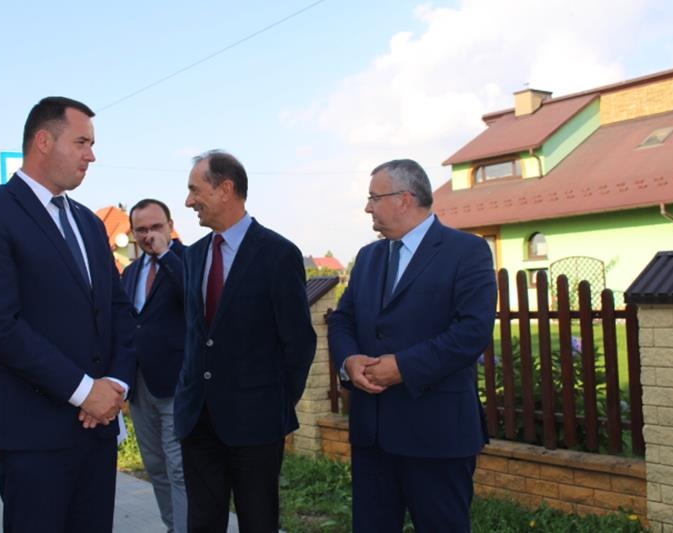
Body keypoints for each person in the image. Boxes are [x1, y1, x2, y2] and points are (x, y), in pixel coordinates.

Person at [0, 97, 137, 533]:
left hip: (96, 429)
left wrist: (115, 384)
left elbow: (119, 311)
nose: (91, 156)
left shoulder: (89, 223)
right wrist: (83, 391)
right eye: (82, 142)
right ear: (43, 141)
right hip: (31, 435)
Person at [328, 159, 497, 532]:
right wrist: (350, 360)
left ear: (404, 199)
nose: (367, 208)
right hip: (373, 434)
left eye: (374, 198)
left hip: (436, 433)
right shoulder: (368, 257)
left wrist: (402, 367)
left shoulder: (467, 251)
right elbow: (342, 319)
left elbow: (472, 331)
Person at [175, 150, 316, 533]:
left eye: (195, 190)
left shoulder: (278, 254)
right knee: (202, 523)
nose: (188, 201)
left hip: (256, 425)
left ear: (226, 189)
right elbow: (195, 335)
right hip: (198, 421)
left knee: (258, 521)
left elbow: (299, 342)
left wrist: (275, 406)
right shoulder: (194, 255)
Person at [121, 198, 187, 533]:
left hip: (177, 383)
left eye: (156, 227)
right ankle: (173, 525)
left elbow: (195, 299)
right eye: (141, 230)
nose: (149, 235)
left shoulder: (188, 259)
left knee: (179, 467)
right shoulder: (131, 272)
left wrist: (166, 256)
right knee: (156, 466)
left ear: (170, 226)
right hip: (140, 383)